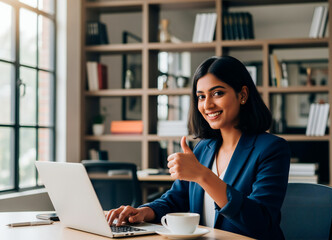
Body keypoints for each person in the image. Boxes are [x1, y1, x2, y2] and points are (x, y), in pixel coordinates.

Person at [106, 56, 291, 240]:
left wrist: (203, 175)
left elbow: (260, 223)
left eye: (217, 93)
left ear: (242, 95)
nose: (207, 105)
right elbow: (176, 198)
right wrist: (143, 212)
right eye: (201, 96)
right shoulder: (204, 148)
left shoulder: (272, 149)